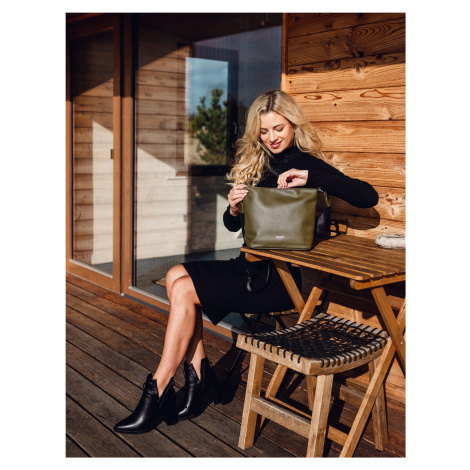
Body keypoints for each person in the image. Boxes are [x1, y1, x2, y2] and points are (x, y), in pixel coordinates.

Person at [114, 89, 378, 434]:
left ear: (293, 125)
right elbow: (232, 226)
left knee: (184, 289)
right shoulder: (257, 163)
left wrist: (311, 178)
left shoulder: (307, 165)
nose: (272, 138)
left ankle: (159, 387)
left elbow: (367, 196)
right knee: (176, 274)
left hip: (279, 280)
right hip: (249, 267)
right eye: (264, 131)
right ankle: (199, 376)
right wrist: (234, 207)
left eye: (278, 128)